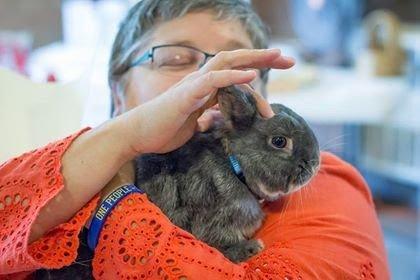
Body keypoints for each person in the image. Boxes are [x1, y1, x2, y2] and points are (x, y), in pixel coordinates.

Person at [0, 0, 390, 279]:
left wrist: (112, 201)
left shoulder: (321, 186)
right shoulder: (61, 161)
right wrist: (124, 141)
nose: (210, 77)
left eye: (237, 64)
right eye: (175, 59)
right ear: (118, 94)